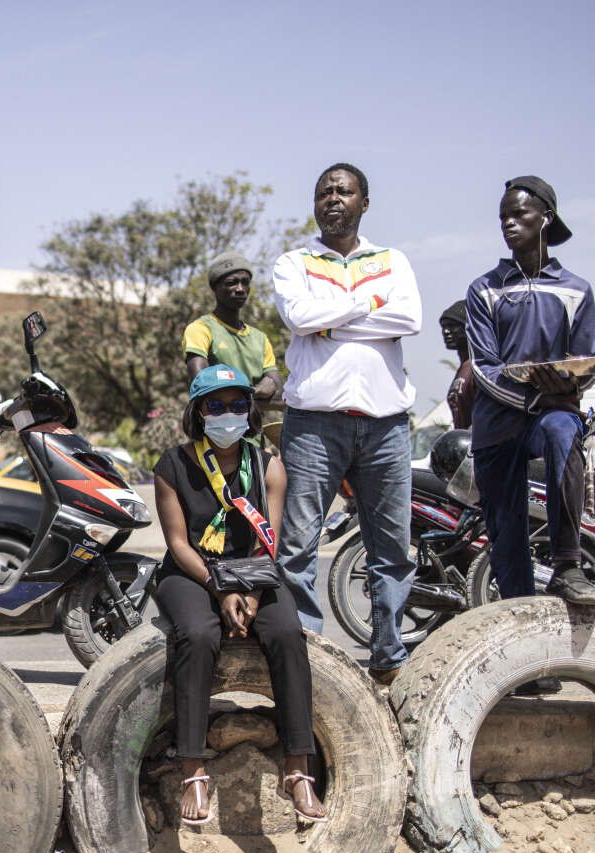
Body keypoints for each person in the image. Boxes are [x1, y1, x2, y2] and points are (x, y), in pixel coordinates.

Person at [152, 365, 324, 826]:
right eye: (216, 405)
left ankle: (297, 767)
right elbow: (177, 543)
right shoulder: (172, 465)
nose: (228, 413)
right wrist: (218, 587)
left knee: (288, 631)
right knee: (197, 633)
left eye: (238, 404)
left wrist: (248, 591)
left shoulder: (269, 465)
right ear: (198, 412)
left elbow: (268, 540)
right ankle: (193, 767)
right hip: (191, 574)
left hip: (252, 570)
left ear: (250, 411)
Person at [272, 163, 421, 685]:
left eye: (344, 191)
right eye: (324, 192)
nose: (333, 198)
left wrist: (333, 319)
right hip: (314, 425)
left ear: (365, 201)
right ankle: (305, 654)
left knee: (392, 547)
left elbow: (409, 319)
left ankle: (388, 655)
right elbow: (299, 318)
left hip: (386, 424)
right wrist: (367, 302)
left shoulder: (392, 259)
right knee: (297, 546)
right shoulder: (294, 262)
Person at [466, 176, 595, 605]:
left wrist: (570, 384)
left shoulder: (577, 290)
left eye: (518, 213)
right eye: (503, 215)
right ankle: (524, 638)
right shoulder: (483, 290)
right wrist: (539, 395)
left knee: (563, 432)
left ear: (546, 218)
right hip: (496, 425)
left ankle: (567, 565)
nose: (508, 222)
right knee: (507, 535)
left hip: (551, 416)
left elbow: (587, 363)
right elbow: (485, 369)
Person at [183, 252, 282, 403]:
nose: (240, 289)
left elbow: (278, 390)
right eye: (231, 282)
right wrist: (256, 391)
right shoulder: (201, 329)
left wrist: (230, 392)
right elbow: (202, 384)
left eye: (245, 282)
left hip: (254, 425)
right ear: (214, 287)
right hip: (214, 423)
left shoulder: (260, 338)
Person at [439, 301, 475, 429]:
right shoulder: (463, 368)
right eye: (443, 327)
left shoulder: (478, 369)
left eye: (452, 326)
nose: (446, 332)